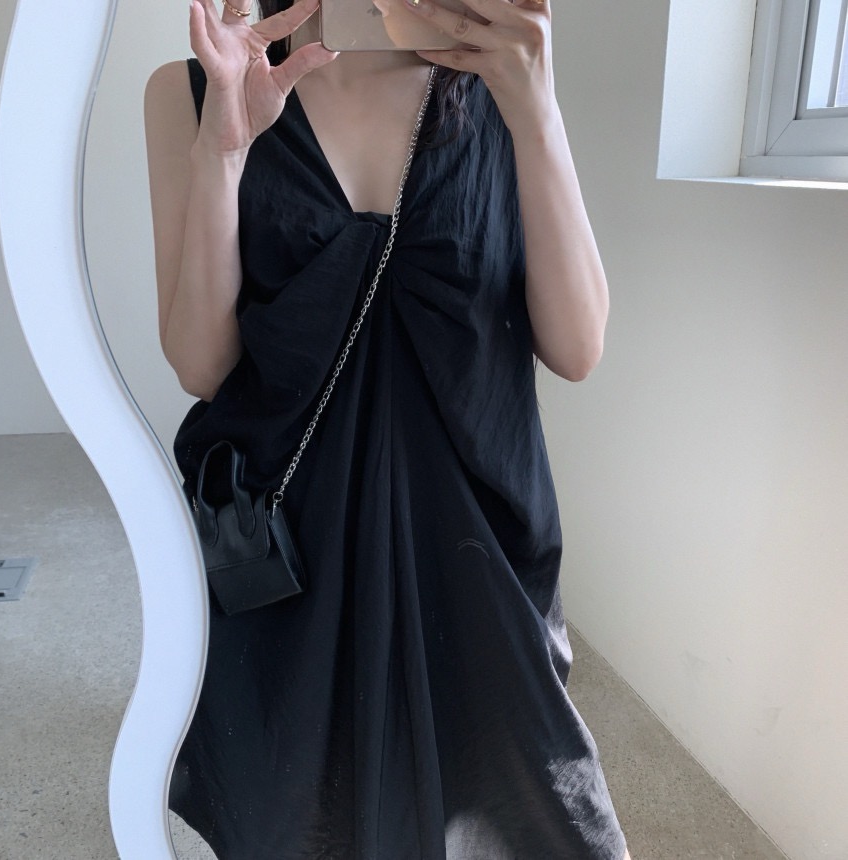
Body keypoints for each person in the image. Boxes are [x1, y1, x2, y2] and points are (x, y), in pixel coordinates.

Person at [144, 0, 631, 856]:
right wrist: (225, 152)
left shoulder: (502, 79)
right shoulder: (191, 89)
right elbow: (202, 365)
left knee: (534, 813)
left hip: (477, 538)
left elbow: (577, 346)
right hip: (289, 549)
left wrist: (536, 113)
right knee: (300, 819)